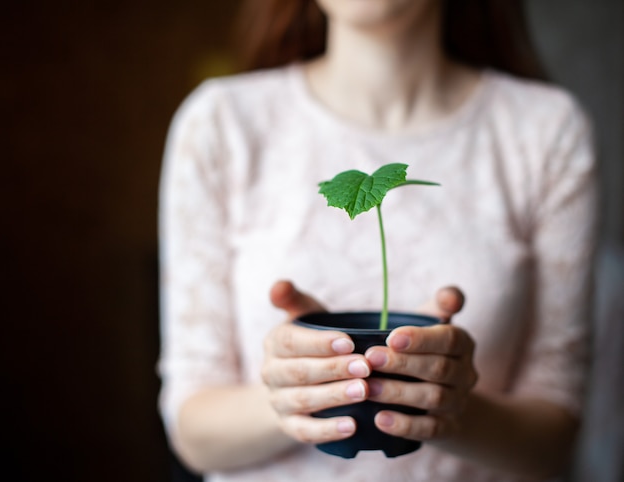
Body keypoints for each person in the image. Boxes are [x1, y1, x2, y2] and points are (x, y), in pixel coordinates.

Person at [157, 0, 598, 480]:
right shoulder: (221, 123)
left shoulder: (546, 131)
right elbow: (192, 430)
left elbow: (555, 441)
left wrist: (448, 403)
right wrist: (294, 394)